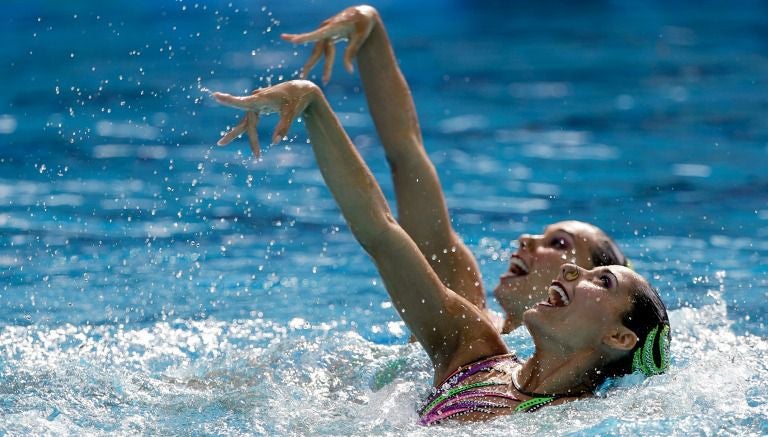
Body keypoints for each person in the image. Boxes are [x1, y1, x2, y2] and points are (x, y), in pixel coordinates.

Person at [211, 79, 670, 424]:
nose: (570, 272)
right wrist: (314, 105)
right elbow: (382, 234)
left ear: (620, 338)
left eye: (601, 280)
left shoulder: (587, 420)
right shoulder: (472, 348)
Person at [272, 6, 629, 335]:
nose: (527, 240)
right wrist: (371, 33)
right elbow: (406, 154)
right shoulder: (463, 310)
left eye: (559, 243)